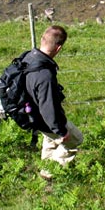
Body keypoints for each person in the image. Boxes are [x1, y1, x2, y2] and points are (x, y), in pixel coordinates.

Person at [23, 25, 83, 178]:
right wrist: (61, 131)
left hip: (31, 114)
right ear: (59, 47)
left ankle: (45, 168)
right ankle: (51, 174)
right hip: (44, 118)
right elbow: (48, 108)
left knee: (50, 139)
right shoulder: (44, 76)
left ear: (42, 40)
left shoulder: (28, 57)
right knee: (74, 140)